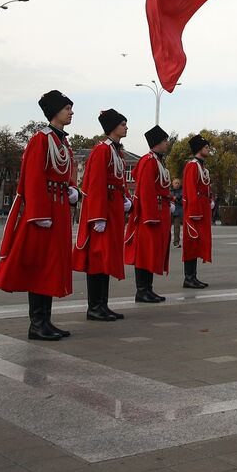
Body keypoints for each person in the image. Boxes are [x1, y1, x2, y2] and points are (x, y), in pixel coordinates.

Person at [0, 90, 77, 341]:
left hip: (58, 207)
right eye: (67, 108)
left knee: (52, 265)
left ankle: (45, 321)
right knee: (41, 265)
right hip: (45, 210)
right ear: (55, 112)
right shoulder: (41, 139)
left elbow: (61, 172)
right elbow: (33, 176)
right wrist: (38, 212)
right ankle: (37, 323)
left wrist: (71, 189)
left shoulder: (61, 141)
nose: (71, 112)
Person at [76, 109, 130, 321]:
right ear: (113, 127)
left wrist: (125, 199)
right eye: (123, 123)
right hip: (103, 211)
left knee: (106, 258)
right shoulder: (102, 150)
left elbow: (118, 181)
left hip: (113, 208)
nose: (126, 127)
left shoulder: (117, 151)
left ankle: (103, 304)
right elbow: (96, 183)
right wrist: (97, 216)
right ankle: (94, 306)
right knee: (98, 258)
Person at [127, 125, 172, 303]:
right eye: (164, 141)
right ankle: (142, 290)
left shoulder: (158, 161)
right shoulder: (148, 161)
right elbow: (145, 190)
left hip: (160, 211)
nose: (167, 143)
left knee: (153, 252)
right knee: (145, 253)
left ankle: (148, 288)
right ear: (157, 143)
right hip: (151, 214)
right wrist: (150, 215)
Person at [181, 134, 215, 287]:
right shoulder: (192, 165)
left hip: (202, 208)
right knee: (191, 243)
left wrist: (209, 201)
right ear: (198, 149)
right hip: (195, 211)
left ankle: (192, 276)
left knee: (198, 243)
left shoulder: (201, 166)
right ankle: (188, 277)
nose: (208, 148)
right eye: (205, 146)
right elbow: (190, 189)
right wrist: (194, 212)